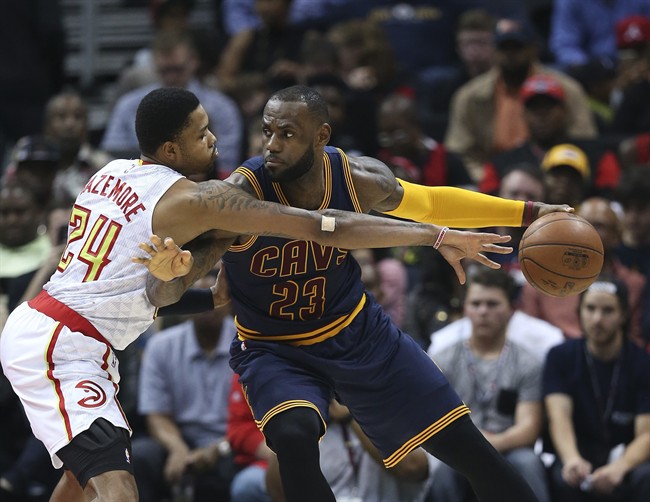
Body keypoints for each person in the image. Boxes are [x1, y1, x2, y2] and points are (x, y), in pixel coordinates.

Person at [0, 86, 520, 502]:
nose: (217, 144)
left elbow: (153, 292)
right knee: (118, 490)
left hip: (69, 333)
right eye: (203, 135)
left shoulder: (110, 173)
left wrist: (189, 285)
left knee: (80, 480)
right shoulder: (203, 198)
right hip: (65, 344)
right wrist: (434, 236)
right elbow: (322, 227)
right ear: (170, 150)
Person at [141, 85, 573, 502]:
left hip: (359, 333)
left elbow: (428, 203)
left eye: (287, 134)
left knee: (469, 449)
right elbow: (173, 283)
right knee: (293, 435)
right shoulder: (238, 196)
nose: (271, 144)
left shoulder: (356, 176)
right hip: (275, 348)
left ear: (321, 136)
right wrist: (168, 275)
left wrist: (529, 212)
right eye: (267, 131)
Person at [428, 268, 551, 502]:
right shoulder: (443, 358)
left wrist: (487, 446)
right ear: (465, 309)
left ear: (511, 311)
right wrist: (472, 447)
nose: (483, 311)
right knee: (444, 470)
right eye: (476, 304)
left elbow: (529, 427)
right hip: (458, 448)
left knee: (528, 463)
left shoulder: (527, 362)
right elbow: (434, 420)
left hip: (509, 447)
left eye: (492, 304)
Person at [445, 17, 596, 182]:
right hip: (491, 181)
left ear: (533, 49)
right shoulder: (469, 96)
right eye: (504, 48)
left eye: (517, 47)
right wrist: (488, 179)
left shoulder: (568, 89)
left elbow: (583, 142)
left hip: (554, 177)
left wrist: (552, 179)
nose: (510, 55)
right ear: (494, 51)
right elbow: (459, 153)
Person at [132, 271, 237, 502]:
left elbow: (256, 417)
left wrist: (220, 447)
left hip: (234, 440)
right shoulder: (160, 347)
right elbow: (156, 415)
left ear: (228, 302)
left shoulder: (247, 343)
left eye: (214, 297)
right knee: (140, 455)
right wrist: (177, 448)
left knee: (234, 467)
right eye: (199, 298)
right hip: (181, 437)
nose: (207, 307)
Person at [543, 278, 650, 501]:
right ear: (579, 311)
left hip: (626, 458)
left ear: (623, 315)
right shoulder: (560, 357)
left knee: (645, 475)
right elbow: (559, 417)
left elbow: (646, 433)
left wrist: (621, 467)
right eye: (590, 308)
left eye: (608, 310)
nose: (597, 319)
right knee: (561, 477)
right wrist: (571, 459)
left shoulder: (642, 363)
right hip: (578, 454)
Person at [101, 29, 243, 177]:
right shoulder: (128, 106)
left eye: (177, 70)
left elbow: (226, 167)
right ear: (154, 64)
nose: (171, 78)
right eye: (165, 71)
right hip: (141, 186)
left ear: (193, 61)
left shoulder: (222, 108)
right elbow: (112, 160)